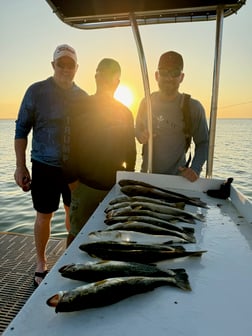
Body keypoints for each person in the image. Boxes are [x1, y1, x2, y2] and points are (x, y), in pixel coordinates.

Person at [14, 44, 87, 287]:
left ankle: (70, 257)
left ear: (77, 68)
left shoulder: (83, 97)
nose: (66, 69)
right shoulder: (36, 91)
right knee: (43, 215)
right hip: (43, 165)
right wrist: (20, 166)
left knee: (72, 214)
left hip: (74, 167)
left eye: (70, 65)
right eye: (61, 64)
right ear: (53, 65)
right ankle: (41, 262)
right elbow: (21, 129)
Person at [65, 58, 136, 246]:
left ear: (117, 82)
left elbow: (131, 153)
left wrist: (123, 185)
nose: (102, 79)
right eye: (100, 74)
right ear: (95, 77)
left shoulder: (125, 113)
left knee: (111, 237)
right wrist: (73, 183)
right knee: (76, 235)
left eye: (108, 76)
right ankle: (68, 273)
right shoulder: (78, 107)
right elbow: (67, 145)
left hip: (113, 189)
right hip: (83, 186)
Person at [135, 51, 208, 182]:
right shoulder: (146, 103)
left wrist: (195, 169)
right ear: (157, 75)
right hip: (146, 178)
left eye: (174, 73)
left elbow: (204, 142)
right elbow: (137, 129)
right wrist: (140, 135)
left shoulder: (193, 108)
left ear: (182, 77)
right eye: (164, 72)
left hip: (178, 181)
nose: (169, 78)